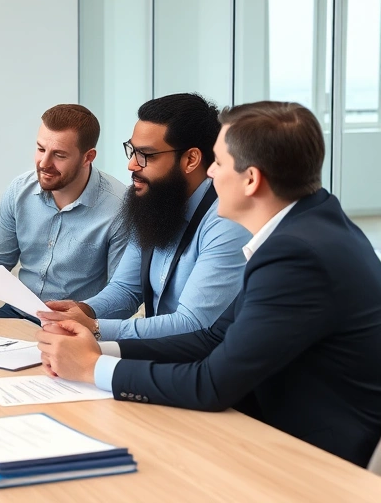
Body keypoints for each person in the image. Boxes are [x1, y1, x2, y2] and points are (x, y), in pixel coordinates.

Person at [36, 101, 381, 467]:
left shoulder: (296, 255)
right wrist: (98, 350)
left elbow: (214, 383)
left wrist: (91, 368)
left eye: (218, 162)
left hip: (314, 455)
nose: (210, 173)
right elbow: (213, 338)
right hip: (273, 423)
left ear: (251, 179)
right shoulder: (307, 225)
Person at [38, 93, 250, 340]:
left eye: (146, 155)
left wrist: (94, 327)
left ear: (191, 159)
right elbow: (126, 289)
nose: (132, 165)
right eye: (132, 151)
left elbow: (194, 323)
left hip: (203, 362)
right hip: (159, 352)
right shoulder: (154, 200)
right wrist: (82, 310)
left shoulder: (226, 220)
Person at [0, 104, 128, 324]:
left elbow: (123, 291)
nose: (44, 163)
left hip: (75, 323)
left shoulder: (120, 208)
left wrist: (86, 311)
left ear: (87, 157)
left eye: (59, 155)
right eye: (41, 149)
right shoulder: (19, 191)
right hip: (19, 313)